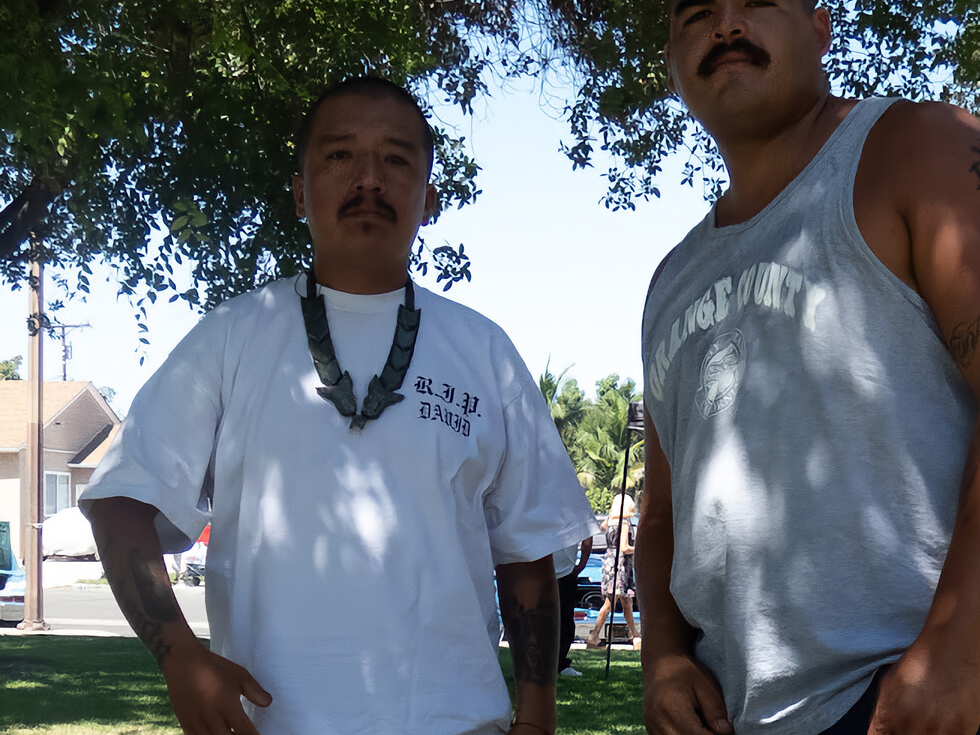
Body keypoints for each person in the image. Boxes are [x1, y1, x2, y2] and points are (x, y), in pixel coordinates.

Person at [636, 0, 980, 735]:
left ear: (819, 30)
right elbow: (663, 513)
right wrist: (662, 657)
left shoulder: (921, 148)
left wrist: (952, 649)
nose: (726, 25)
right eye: (696, 14)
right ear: (672, 61)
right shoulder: (670, 279)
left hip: (905, 697)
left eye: (756, 0)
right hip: (735, 711)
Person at [80, 75, 598, 735]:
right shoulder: (231, 337)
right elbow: (121, 499)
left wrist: (538, 712)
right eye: (340, 155)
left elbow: (526, 548)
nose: (369, 179)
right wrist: (179, 655)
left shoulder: (485, 352)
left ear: (429, 199)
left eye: (396, 159)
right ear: (300, 193)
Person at [587, 493, 641, 649]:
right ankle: (594, 636)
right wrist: (638, 548)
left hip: (610, 563)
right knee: (611, 602)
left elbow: (602, 527)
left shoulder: (609, 522)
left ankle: (635, 635)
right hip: (620, 565)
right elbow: (624, 547)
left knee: (626, 601)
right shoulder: (624, 524)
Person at [553, 535, 594, 676]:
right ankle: (535, 663)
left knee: (565, 620)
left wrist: (582, 564)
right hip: (538, 571)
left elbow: (587, 536)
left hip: (566, 572)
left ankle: (560, 663)